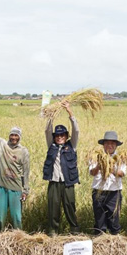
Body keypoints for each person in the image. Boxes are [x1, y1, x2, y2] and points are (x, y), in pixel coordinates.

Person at [0, 104, 30, 232]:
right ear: (9, 135)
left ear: (19, 137)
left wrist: (25, 190)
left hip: (16, 189)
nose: (13, 137)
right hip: (1, 187)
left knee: (16, 217)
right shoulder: (1, 144)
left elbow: (26, 172)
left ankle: (19, 238)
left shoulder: (23, 151)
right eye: (12, 135)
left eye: (16, 135)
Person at [43, 101, 80, 236]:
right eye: (57, 136)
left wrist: (69, 112)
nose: (59, 137)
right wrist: (51, 115)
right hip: (54, 183)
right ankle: (53, 232)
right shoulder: (51, 146)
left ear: (66, 136)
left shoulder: (72, 145)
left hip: (68, 183)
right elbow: (47, 130)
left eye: (62, 135)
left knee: (70, 206)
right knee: (53, 208)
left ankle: (74, 230)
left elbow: (76, 130)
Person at [89, 131, 127, 236]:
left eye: (112, 143)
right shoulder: (96, 156)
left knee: (114, 220)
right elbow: (92, 172)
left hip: (114, 193)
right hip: (98, 192)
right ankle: (99, 242)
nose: (110, 146)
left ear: (116, 145)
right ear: (103, 144)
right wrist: (100, 166)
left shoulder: (120, 158)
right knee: (99, 220)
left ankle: (115, 241)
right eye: (107, 143)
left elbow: (122, 173)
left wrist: (110, 168)